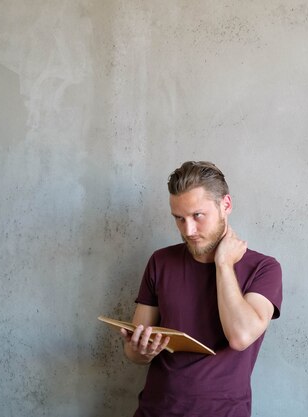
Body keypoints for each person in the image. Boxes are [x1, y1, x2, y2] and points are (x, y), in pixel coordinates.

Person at [119, 161, 283, 417]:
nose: (189, 230)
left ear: (225, 205)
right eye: (179, 219)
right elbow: (134, 352)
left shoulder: (264, 268)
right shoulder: (160, 261)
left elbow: (240, 337)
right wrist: (141, 350)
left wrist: (224, 264)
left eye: (197, 216)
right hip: (155, 410)